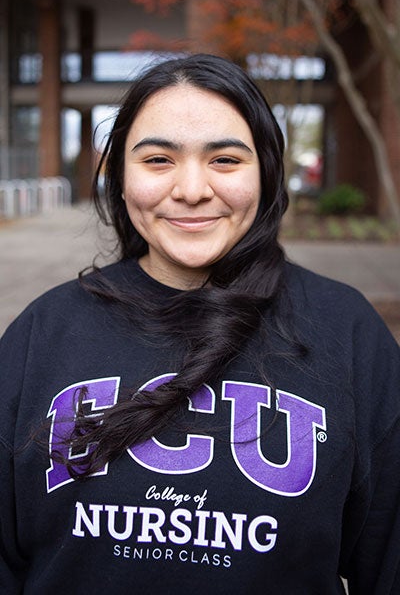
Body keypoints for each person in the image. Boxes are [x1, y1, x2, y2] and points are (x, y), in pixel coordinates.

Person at [0, 54, 399, 595]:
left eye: (226, 160)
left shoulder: (347, 331)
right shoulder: (43, 331)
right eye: (159, 159)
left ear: (266, 172)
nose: (191, 189)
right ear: (120, 178)